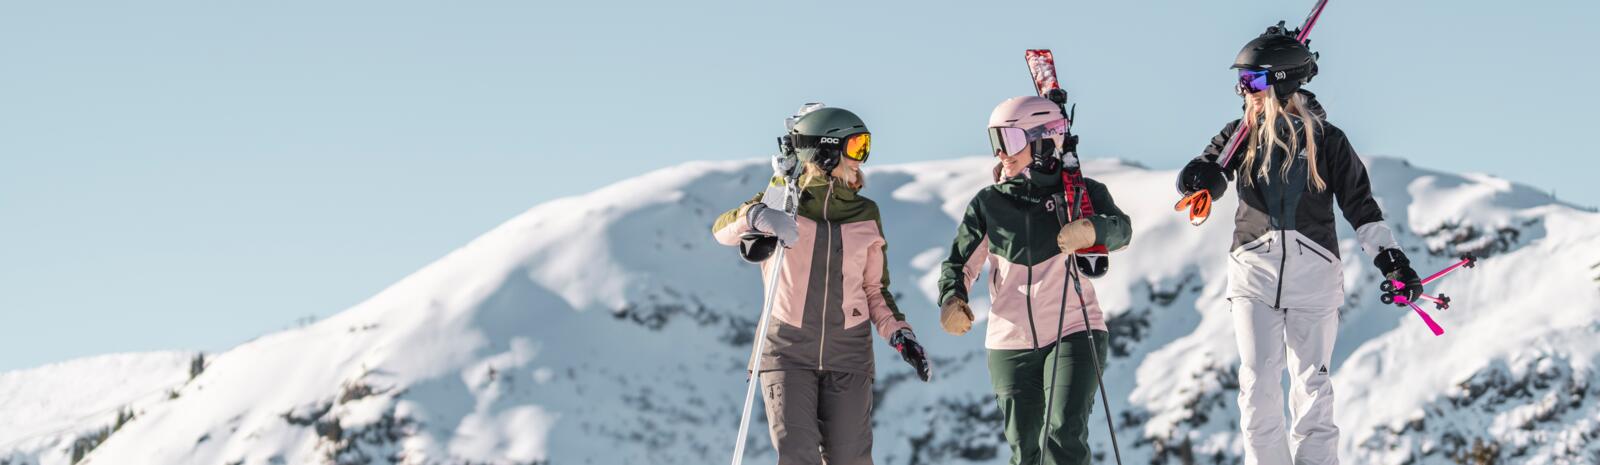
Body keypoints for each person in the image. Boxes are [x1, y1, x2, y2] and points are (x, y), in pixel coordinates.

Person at [1174, 25, 1423, 465]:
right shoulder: (1239, 134)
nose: (1242, 89)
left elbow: (1362, 208)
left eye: (1251, 80)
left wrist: (1394, 262)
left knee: (1312, 388)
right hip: (1254, 271)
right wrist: (1200, 180)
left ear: (1281, 81)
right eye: (1241, 80)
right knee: (1257, 386)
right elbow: (1207, 170)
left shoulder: (1329, 141)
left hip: (1315, 275)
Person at [711, 105, 931, 465]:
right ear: (825, 151)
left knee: (851, 459)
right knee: (797, 456)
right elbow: (722, 230)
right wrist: (758, 215)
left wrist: (900, 334)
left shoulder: (865, 213)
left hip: (850, 353)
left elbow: (875, 290)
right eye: (856, 147)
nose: (862, 159)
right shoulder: (782, 201)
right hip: (786, 350)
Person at [938, 95, 1132, 465]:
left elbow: (1122, 230)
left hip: (1075, 328)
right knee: (1025, 449)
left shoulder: (1081, 191)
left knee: (1062, 434)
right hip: (1009, 342)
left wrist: (1093, 229)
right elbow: (959, 263)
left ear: (1043, 140)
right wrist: (952, 300)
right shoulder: (989, 204)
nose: (1001, 154)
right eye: (995, 142)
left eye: (1009, 141)